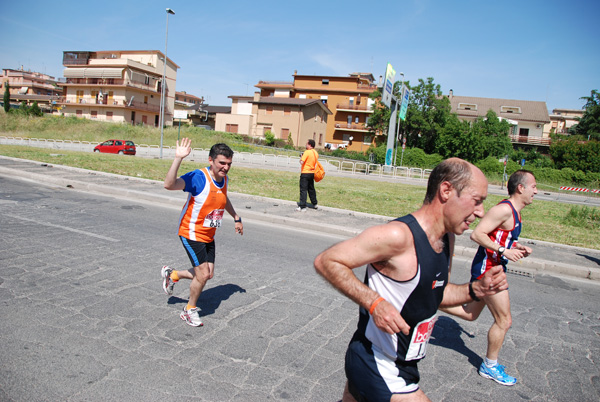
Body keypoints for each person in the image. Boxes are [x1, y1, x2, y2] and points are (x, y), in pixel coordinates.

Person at [314, 158, 509, 401]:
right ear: (446, 190)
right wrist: (375, 303)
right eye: (477, 201)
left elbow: (436, 293)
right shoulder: (398, 236)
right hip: (377, 362)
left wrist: (477, 289)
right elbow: (327, 260)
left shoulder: (447, 238)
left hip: (405, 365)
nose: (481, 212)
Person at [442, 170, 537, 386]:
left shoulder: (515, 211)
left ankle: (429, 300)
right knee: (504, 321)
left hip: (495, 267)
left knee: (469, 315)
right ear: (520, 188)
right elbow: (477, 234)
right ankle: (489, 366)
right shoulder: (504, 209)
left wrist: (516, 247)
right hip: (489, 269)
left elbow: (498, 237)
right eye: (533, 186)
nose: (536, 191)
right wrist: (504, 250)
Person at [160, 138, 244, 327]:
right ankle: (189, 310)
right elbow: (169, 184)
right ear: (210, 160)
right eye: (222, 163)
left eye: (229, 164)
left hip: (208, 235)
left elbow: (223, 198)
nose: (226, 167)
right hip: (191, 232)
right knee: (203, 274)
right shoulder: (198, 177)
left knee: (208, 274)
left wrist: (236, 217)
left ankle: (172, 275)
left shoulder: (224, 179)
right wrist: (178, 159)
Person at [296, 139, 318, 211]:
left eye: (307, 144)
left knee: (303, 189)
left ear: (310, 145)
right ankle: (314, 203)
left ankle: (302, 206)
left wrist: (301, 157)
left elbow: (302, 162)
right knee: (311, 189)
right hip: (312, 173)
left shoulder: (307, 152)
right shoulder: (315, 153)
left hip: (305, 172)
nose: (306, 145)